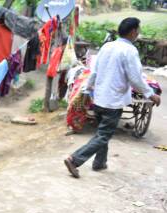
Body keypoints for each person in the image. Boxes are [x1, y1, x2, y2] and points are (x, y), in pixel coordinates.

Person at [64, 17, 161, 178]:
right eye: (138, 30)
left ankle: (99, 162)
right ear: (133, 32)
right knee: (104, 135)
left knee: (103, 132)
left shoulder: (107, 46)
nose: (138, 33)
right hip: (113, 102)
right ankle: (74, 159)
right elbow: (135, 78)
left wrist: (87, 89)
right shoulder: (130, 51)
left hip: (99, 98)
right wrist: (151, 94)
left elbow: (94, 72)